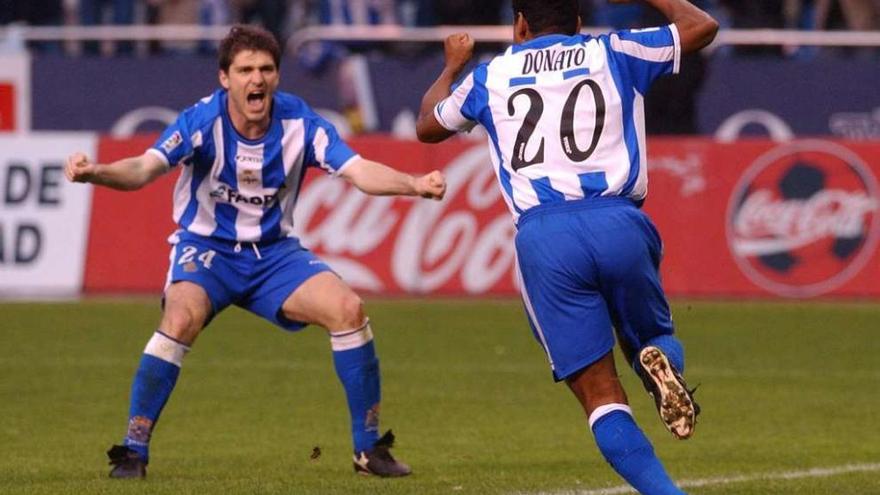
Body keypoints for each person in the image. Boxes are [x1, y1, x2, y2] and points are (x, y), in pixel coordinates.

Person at [65, 24, 445, 479]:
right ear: (225, 78)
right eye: (245, 70)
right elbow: (143, 169)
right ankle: (132, 450)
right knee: (180, 320)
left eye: (266, 69)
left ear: (278, 76)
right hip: (208, 251)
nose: (257, 79)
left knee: (348, 309)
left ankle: (369, 451)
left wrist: (415, 184)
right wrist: (97, 173)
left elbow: (357, 171)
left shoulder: (300, 123)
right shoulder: (201, 121)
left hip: (275, 256)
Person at [416, 1, 716, 493]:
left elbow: (428, 124)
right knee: (652, 337)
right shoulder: (613, 51)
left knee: (602, 396)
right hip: (619, 221)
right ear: (578, 22)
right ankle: (661, 362)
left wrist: (452, 65)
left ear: (520, 25)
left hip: (547, 237)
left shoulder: (491, 76)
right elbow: (701, 27)